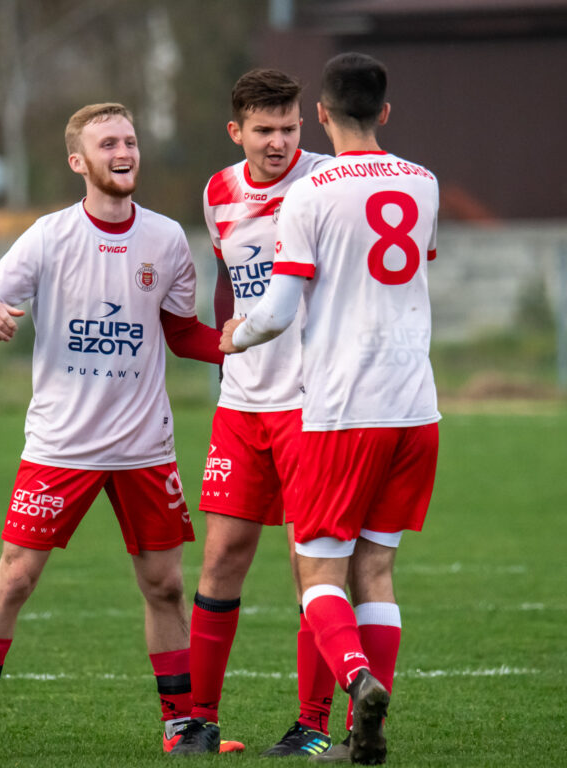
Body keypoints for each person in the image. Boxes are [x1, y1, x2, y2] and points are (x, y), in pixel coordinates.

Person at [0, 102, 236, 759]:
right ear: (80, 161)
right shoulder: (49, 236)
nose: (124, 150)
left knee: (164, 585)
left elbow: (181, 333)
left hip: (144, 447)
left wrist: (238, 346)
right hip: (61, 446)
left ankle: (181, 727)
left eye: (130, 140)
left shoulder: (165, 240)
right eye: (108, 143)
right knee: (15, 578)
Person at [220, 52, 441, 765]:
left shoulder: (309, 196)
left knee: (321, 573)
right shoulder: (424, 182)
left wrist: (236, 333)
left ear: (319, 115)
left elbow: (279, 312)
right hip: (417, 408)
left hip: (344, 410)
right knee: (376, 570)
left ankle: (355, 679)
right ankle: (361, 732)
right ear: (385, 112)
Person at [178, 68, 336, 757]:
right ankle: (199, 721)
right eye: (265, 130)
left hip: (316, 404)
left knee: (313, 565)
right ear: (236, 130)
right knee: (221, 560)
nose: (279, 142)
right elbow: (226, 285)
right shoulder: (218, 191)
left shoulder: (332, 183)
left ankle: (314, 726)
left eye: (291, 127)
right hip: (241, 403)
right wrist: (223, 363)